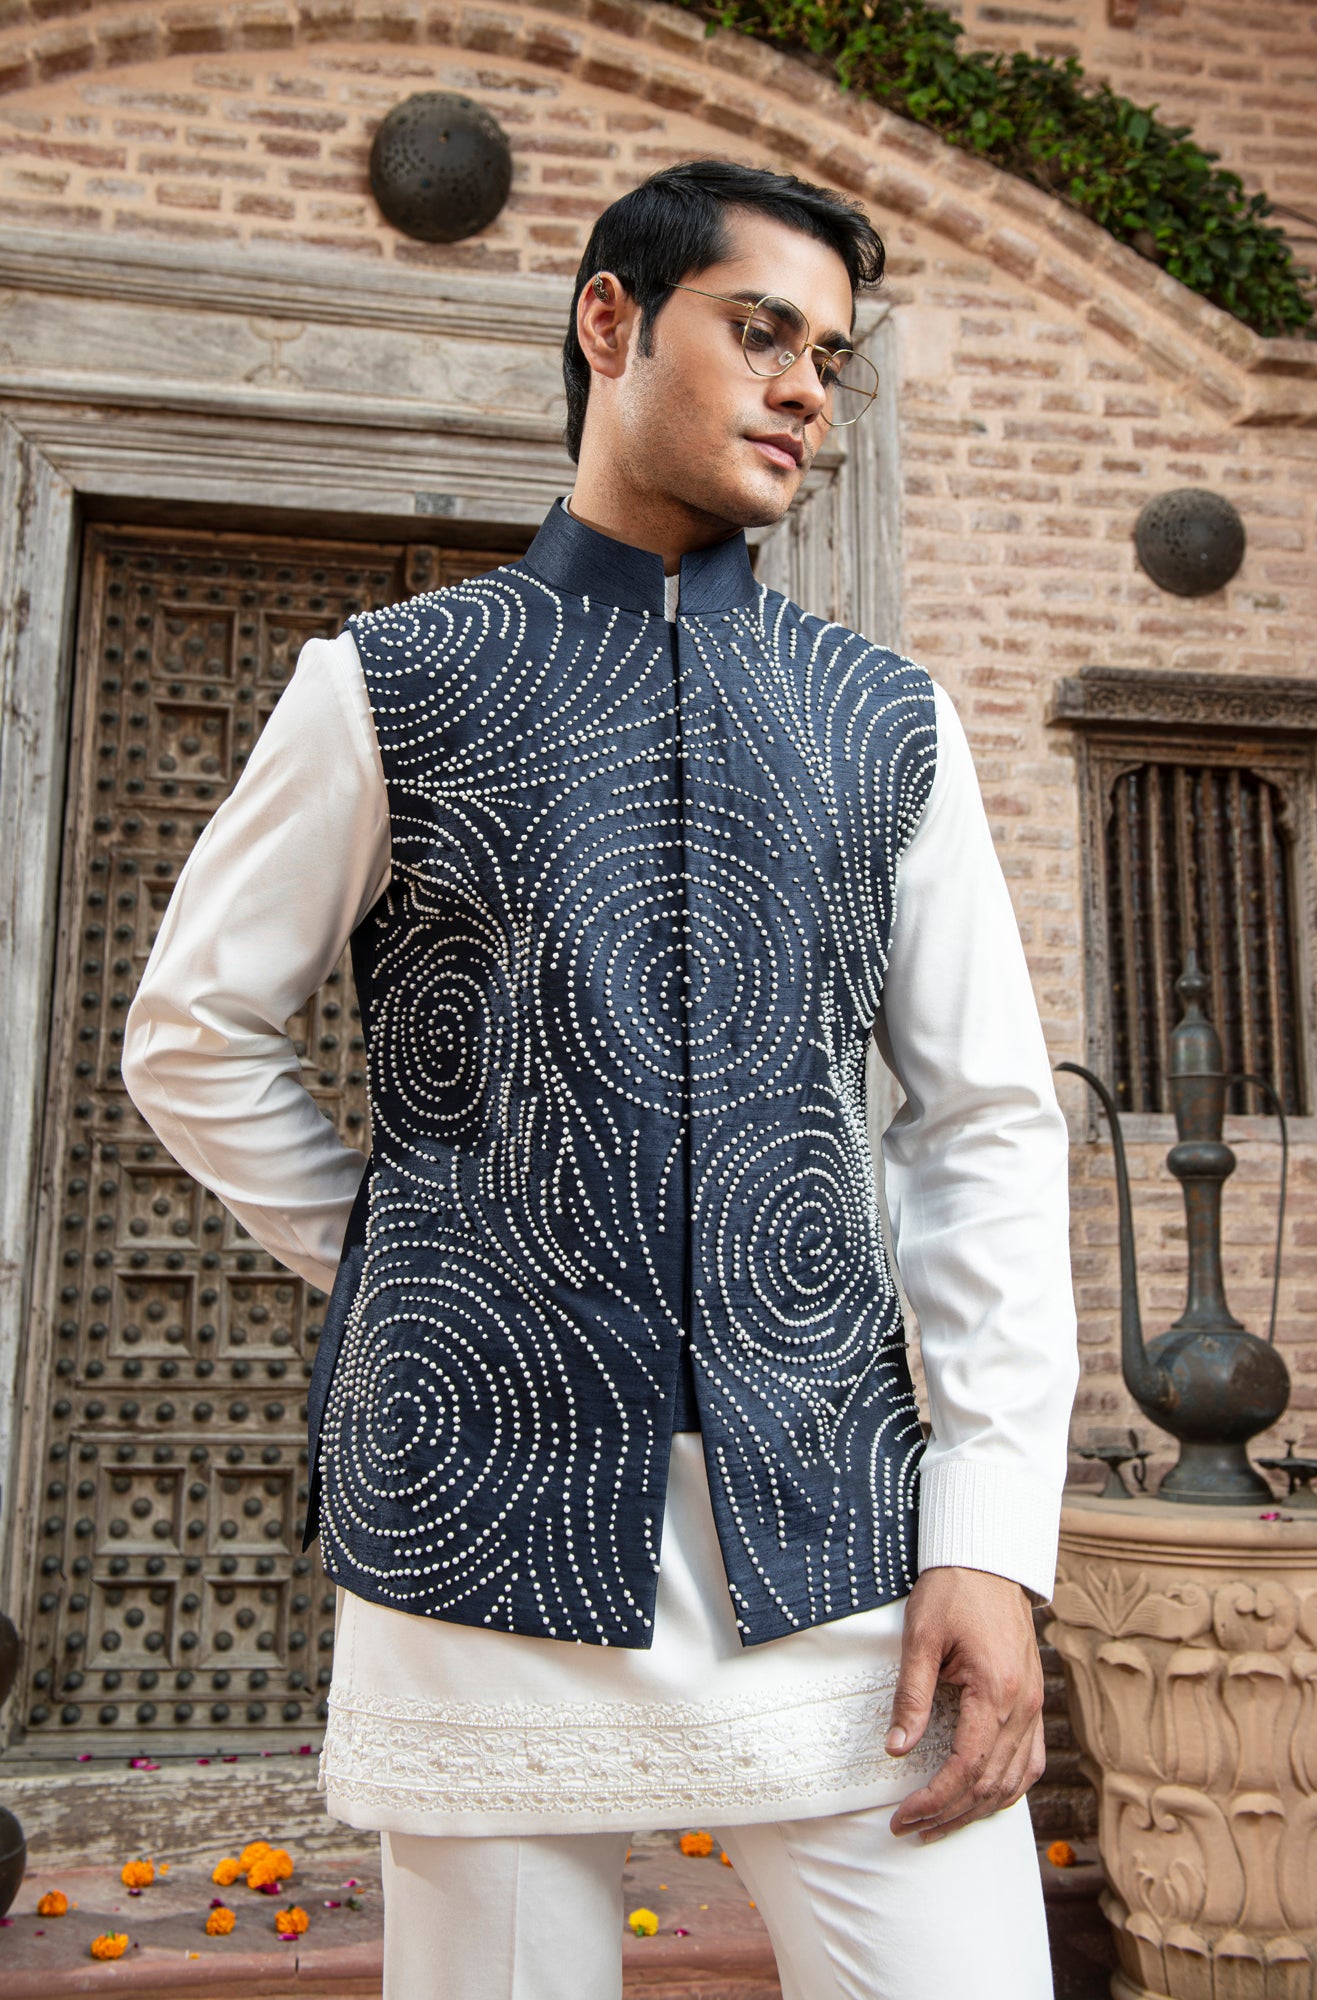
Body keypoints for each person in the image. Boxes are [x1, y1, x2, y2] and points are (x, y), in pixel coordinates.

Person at [123, 157, 1079, 1999]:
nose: (805, 391)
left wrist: (987, 1539)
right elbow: (192, 1031)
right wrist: (428, 1261)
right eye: (762, 331)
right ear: (609, 321)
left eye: (830, 358)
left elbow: (981, 1127)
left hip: (839, 1528)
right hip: (476, 1514)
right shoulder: (388, 682)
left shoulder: (887, 719)